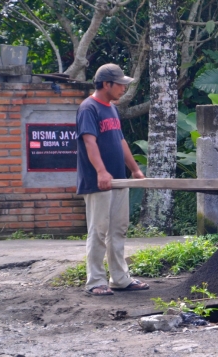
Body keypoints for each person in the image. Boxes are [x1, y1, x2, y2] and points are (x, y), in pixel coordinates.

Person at [76, 63, 149, 296]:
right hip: (98, 181)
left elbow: (120, 141)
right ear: (106, 84)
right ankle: (95, 280)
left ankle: (120, 278)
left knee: (118, 229)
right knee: (98, 230)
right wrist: (100, 171)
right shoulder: (89, 108)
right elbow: (89, 141)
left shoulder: (112, 108)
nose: (123, 89)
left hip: (119, 179)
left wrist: (135, 170)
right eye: (120, 85)